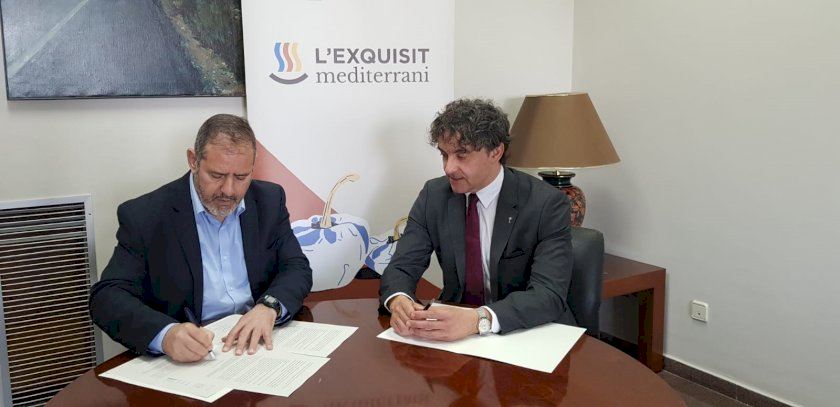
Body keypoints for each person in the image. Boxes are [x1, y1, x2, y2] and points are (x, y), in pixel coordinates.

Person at [90, 114, 312, 362]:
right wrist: (165, 335)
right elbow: (107, 297)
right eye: (216, 176)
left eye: (241, 177)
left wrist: (269, 306)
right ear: (193, 161)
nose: (229, 190)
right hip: (196, 355)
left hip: (258, 345)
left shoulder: (269, 200)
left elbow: (296, 266)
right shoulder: (146, 215)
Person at [379, 98, 576, 341]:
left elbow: (548, 294)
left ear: (496, 152)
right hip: (457, 336)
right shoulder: (434, 195)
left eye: (462, 155)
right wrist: (399, 300)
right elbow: (401, 267)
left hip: (528, 332)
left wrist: (479, 319)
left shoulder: (546, 203)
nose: (449, 168)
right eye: (444, 155)